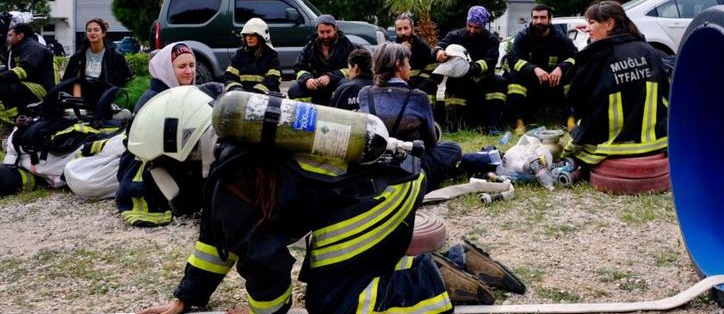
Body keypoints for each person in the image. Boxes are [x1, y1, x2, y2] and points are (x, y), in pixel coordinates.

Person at [136, 93, 523, 314]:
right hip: (381, 186)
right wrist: (185, 299)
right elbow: (216, 242)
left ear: (181, 151)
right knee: (338, 283)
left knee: (332, 303)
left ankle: (428, 282)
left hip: (378, 195)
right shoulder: (230, 167)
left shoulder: (233, 181)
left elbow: (268, 265)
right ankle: (456, 261)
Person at [115, 42, 222, 226]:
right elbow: (136, 144)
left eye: (191, 65)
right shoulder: (151, 99)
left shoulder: (194, 94)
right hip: (153, 163)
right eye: (181, 66)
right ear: (167, 70)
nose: (189, 71)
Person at [563, 0, 669, 171]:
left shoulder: (597, 56)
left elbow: (578, 99)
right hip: (657, 142)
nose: (587, 29)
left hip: (607, 145)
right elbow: (665, 94)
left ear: (609, 23)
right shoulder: (648, 50)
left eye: (591, 22)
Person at [358, 42, 461, 191]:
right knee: (452, 148)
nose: (410, 67)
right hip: (410, 166)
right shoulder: (418, 97)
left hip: (373, 165)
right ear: (399, 65)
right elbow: (431, 141)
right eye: (408, 62)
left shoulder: (365, 93)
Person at [505, 5, 578, 135]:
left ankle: (571, 120)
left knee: (573, 78)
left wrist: (561, 68)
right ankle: (519, 122)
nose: (538, 21)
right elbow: (513, 60)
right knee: (513, 78)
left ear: (550, 20)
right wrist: (533, 69)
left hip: (555, 84)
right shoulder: (523, 37)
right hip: (531, 83)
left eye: (543, 17)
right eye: (535, 17)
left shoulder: (560, 38)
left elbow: (575, 57)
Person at [432, 6, 506, 133]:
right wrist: (438, 51)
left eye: (477, 27)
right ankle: (452, 125)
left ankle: (491, 125)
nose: (472, 30)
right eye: (469, 25)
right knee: (453, 86)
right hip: (460, 79)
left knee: (499, 83)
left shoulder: (491, 40)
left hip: (483, 78)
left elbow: (490, 61)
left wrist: (470, 68)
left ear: (484, 25)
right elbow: (440, 45)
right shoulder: (455, 35)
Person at [61, 18, 132, 105]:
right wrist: (77, 102)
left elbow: (125, 81)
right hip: (83, 100)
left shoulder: (115, 57)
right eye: (89, 30)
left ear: (103, 33)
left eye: (96, 30)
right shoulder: (78, 57)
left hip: (107, 100)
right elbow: (71, 81)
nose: (92, 33)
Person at [287, 14, 355, 105]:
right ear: (317, 31)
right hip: (315, 86)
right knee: (294, 89)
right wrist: (307, 79)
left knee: (346, 86)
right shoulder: (310, 46)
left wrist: (330, 77)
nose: (325, 36)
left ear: (335, 29)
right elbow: (299, 68)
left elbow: (354, 69)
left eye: (328, 32)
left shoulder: (346, 46)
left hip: (337, 84)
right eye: (322, 32)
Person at [0, 23, 55, 121]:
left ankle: (16, 118)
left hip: (42, 88)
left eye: (10, 35)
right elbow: (10, 69)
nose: (7, 38)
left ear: (20, 36)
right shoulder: (19, 48)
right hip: (30, 84)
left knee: (4, 86)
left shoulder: (32, 47)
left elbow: (24, 70)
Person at [223, 18, 281, 94]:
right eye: (247, 35)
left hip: (264, 98)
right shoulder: (239, 54)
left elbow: (273, 80)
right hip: (241, 97)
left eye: (253, 35)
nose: (249, 38)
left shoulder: (271, 56)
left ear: (261, 37)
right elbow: (229, 77)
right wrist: (236, 90)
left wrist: (255, 92)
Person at [394, 13, 436, 91]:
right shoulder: (392, 50)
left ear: (412, 29)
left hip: (421, 89)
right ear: (395, 31)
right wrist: (401, 52)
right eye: (399, 29)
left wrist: (415, 87)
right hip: (399, 90)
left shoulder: (423, 48)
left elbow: (430, 71)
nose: (403, 33)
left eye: (406, 28)